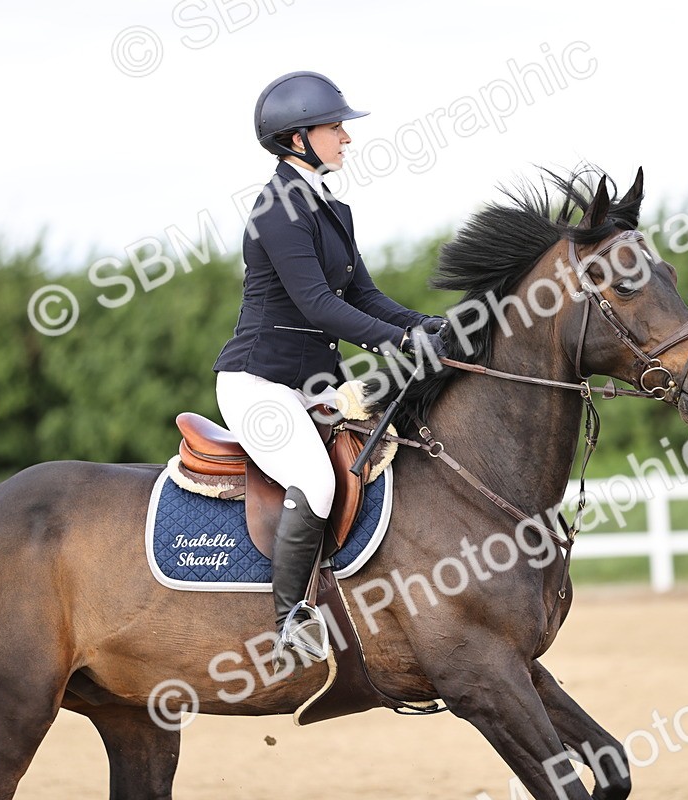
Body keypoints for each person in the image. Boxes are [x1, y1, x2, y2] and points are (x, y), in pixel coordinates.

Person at [214, 71, 446, 662]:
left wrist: (428, 326)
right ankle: (290, 619)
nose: (346, 137)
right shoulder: (277, 209)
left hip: (312, 384)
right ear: (297, 138)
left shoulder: (330, 207)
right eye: (334, 127)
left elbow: (364, 295)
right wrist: (399, 342)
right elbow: (318, 304)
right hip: (257, 384)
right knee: (315, 480)